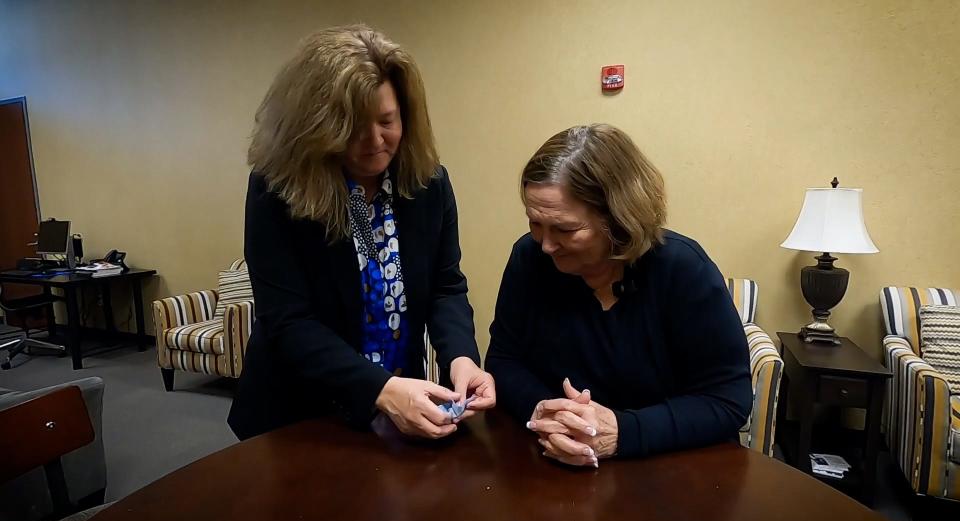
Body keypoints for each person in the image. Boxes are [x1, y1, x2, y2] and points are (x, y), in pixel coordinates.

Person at [228, 25, 495, 441]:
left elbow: (446, 286)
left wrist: (461, 357)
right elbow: (287, 321)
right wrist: (380, 390)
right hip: (301, 415)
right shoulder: (276, 189)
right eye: (352, 127)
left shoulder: (428, 182)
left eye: (387, 121)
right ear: (315, 126)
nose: (375, 142)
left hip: (403, 410)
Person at [486, 124, 751, 467]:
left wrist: (623, 431)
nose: (546, 245)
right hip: (553, 467)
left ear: (619, 220)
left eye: (565, 229)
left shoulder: (683, 269)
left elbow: (728, 399)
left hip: (674, 473)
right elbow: (503, 361)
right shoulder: (529, 258)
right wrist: (545, 411)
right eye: (535, 223)